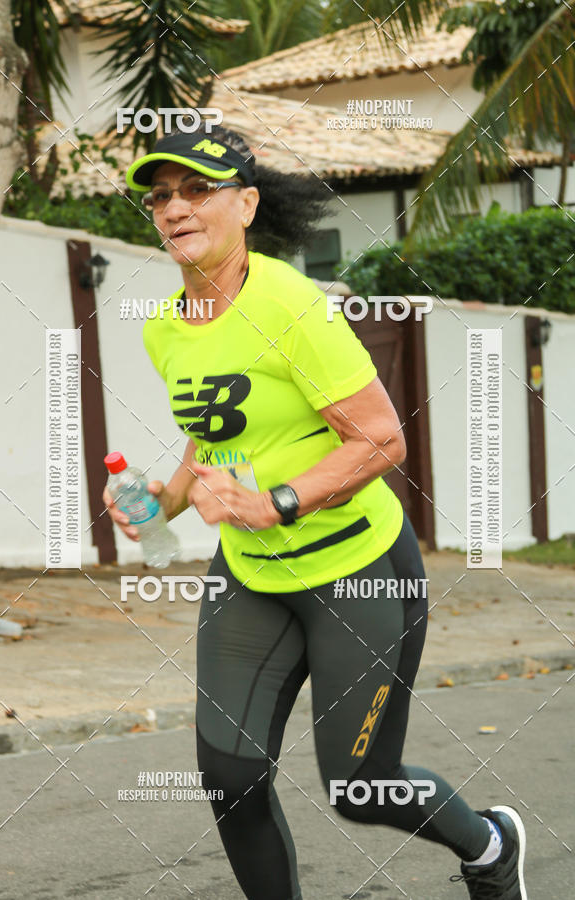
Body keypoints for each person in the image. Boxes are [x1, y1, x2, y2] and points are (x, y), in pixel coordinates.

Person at [104, 123, 528, 900]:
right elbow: (214, 433)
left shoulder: (296, 308)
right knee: (229, 778)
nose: (174, 208)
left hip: (356, 569)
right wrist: (160, 500)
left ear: (247, 202)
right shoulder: (167, 327)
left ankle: (491, 844)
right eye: (160, 196)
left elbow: (382, 439)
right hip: (250, 574)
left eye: (197, 189)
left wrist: (279, 502)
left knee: (360, 786)